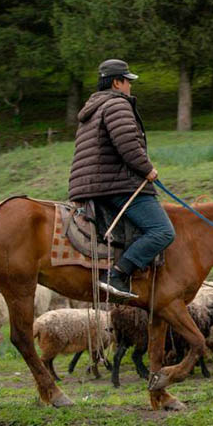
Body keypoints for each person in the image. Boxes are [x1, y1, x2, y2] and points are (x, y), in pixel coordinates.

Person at [68, 59, 175, 299]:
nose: (130, 86)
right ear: (117, 82)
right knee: (162, 231)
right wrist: (147, 170)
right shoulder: (117, 105)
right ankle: (118, 274)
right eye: (127, 81)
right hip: (115, 184)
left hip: (90, 185)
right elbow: (127, 145)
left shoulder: (93, 108)